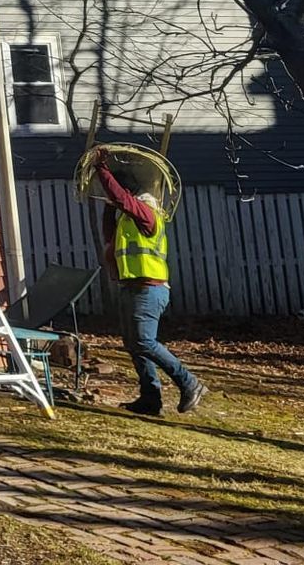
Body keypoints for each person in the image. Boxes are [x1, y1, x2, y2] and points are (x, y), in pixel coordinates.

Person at [92, 147, 207, 416]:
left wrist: (103, 171)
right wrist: (109, 208)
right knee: (134, 344)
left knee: (145, 342)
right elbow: (109, 234)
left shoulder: (147, 215)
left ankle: (190, 383)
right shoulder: (127, 220)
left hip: (149, 289)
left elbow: (122, 199)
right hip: (133, 288)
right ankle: (150, 397)